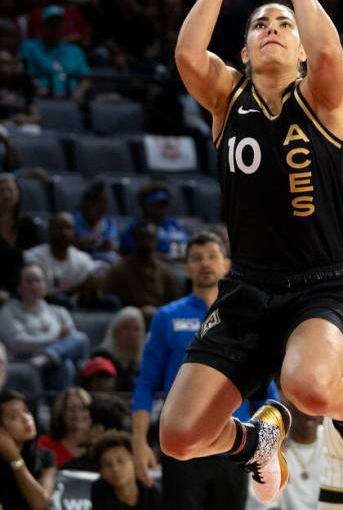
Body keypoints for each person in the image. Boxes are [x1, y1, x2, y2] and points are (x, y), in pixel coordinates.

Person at [161, 0, 343, 504]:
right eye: (260, 25)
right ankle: (255, 442)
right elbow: (186, 52)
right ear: (246, 49)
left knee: (306, 386)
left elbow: (331, 58)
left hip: (322, 286)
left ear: (302, 48)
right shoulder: (228, 97)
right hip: (248, 290)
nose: (273, 28)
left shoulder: (322, 96)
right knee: (178, 437)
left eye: (284, 23)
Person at [131, 233, 276, 510]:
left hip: (235, 447)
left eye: (212, 256)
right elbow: (146, 384)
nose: (204, 263)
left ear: (227, 264)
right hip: (183, 449)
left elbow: (265, 389)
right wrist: (138, 440)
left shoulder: (247, 317)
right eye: (196, 258)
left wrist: (271, 444)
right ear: (187, 268)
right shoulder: (167, 317)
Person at [0, 264, 90, 390]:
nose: (34, 285)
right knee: (65, 358)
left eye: (38, 280)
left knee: (79, 340)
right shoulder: (8, 311)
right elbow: (17, 343)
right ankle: (51, 357)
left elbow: (72, 344)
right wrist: (56, 337)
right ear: (19, 286)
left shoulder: (60, 312)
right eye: (29, 281)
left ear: (45, 285)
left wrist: (49, 353)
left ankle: (49, 357)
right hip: (25, 361)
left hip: (48, 363)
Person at [103, 219, 181, 315]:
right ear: (135, 239)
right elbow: (110, 303)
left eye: (151, 237)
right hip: (129, 319)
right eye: (143, 237)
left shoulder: (165, 271)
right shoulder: (118, 270)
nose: (147, 242)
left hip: (160, 319)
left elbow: (175, 305)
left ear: (156, 240)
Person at [23, 211, 101, 305]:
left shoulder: (83, 259)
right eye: (59, 228)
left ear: (75, 232)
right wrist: (73, 290)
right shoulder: (33, 257)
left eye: (69, 228)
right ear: (49, 230)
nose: (64, 232)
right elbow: (37, 294)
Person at [0, 389, 56, 510]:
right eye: (13, 416)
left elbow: (41, 505)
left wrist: (15, 458)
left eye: (26, 411)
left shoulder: (46, 456)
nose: (26, 419)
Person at [19, 5, 90, 98]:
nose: (55, 28)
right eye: (51, 23)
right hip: (42, 100)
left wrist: (79, 92)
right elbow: (24, 73)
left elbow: (86, 79)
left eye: (59, 23)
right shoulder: (29, 47)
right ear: (43, 26)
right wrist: (38, 89)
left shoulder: (75, 50)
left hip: (72, 101)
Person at [90, 431, 163, 510]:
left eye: (121, 461)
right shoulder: (99, 492)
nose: (115, 469)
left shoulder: (152, 493)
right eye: (108, 465)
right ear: (101, 471)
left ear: (134, 461)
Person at [119, 183, 189, 261]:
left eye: (164, 204)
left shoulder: (175, 225)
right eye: (155, 204)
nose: (160, 208)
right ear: (144, 205)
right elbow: (132, 255)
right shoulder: (135, 229)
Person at [37, 386, 92, 466]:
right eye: (71, 408)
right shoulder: (45, 444)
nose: (77, 414)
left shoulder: (100, 444)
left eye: (83, 408)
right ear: (61, 413)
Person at [93, 307, 144, 392]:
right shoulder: (100, 356)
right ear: (116, 330)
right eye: (127, 328)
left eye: (137, 329)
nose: (132, 334)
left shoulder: (145, 361)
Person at [73, 179, 120, 262]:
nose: (103, 208)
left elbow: (113, 245)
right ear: (87, 204)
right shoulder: (73, 220)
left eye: (105, 203)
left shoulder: (109, 222)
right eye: (97, 207)